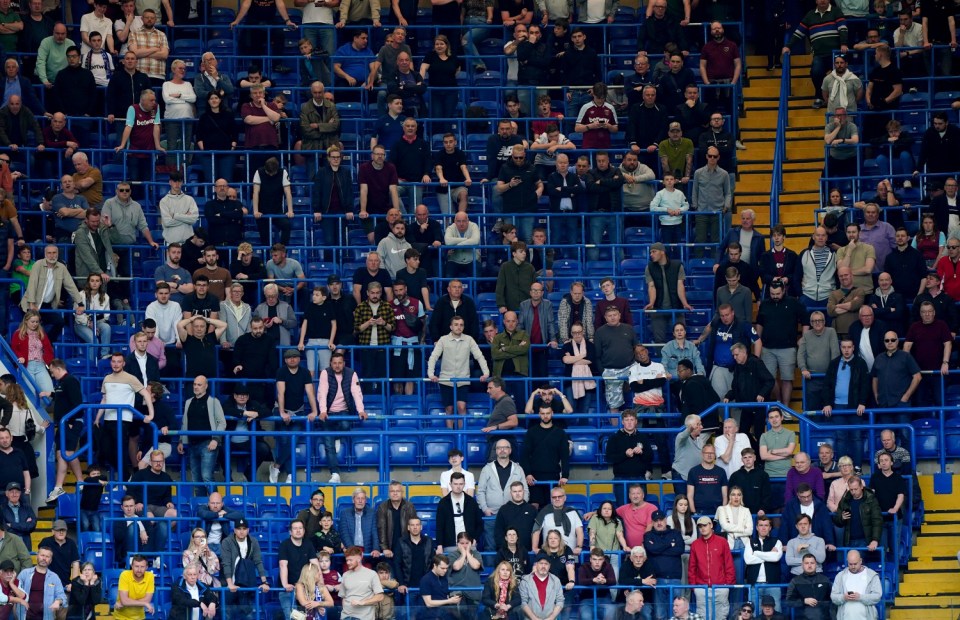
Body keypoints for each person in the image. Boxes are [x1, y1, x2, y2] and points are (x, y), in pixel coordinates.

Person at [782, 0, 849, 109]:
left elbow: (843, 28)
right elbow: (799, 32)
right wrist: (788, 46)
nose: (822, 1)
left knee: (841, 75)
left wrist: (844, 43)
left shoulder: (836, 12)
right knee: (816, 72)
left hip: (836, 54)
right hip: (819, 54)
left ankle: (839, 100)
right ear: (816, 1)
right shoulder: (810, 15)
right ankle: (820, 97)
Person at [822, 340, 871, 467]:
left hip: (855, 407)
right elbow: (827, 385)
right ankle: (842, 468)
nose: (846, 350)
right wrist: (827, 403)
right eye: (844, 347)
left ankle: (858, 467)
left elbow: (865, 384)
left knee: (856, 438)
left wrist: (862, 402)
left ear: (853, 348)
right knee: (840, 438)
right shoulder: (834, 363)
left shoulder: (860, 363)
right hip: (837, 406)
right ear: (840, 348)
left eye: (849, 347)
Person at [520, 405, 571, 509]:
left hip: (553, 476)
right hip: (534, 477)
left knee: (553, 506)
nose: (545, 416)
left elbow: (564, 456)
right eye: (543, 414)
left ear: (552, 413)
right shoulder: (531, 432)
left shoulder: (560, 433)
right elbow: (524, 455)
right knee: (534, 506)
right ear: (539, 414)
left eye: (547, 413)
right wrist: (528, 473)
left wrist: (565, 475)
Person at [221, 518, 270, 619]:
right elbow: (226, 563)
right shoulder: (227, 542)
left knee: (248, 615)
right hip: (229, 585)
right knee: (227, 615)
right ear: (234, 530)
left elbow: (258, 561)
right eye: (239, 528)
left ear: (248, 530)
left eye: (244, 528)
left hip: (246, 584)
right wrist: (230, 584)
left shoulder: (253, 542)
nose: (241, 531)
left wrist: (264, 582)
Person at [689, 516, 735, 620]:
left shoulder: (722, 542)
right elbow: (692, 567)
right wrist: (694, 587)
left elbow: (729, 564)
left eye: (705, 525)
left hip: (720, 587)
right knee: (702, 618)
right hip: (701, 588)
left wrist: (727, 585)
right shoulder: (695, 544)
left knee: (721, 617)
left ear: (711, 525)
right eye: (700, 526)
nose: (702, 528)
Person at [833, 477, 882, 551]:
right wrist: (841, 518)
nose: (853, 492)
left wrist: (875, 540)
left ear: (861, 486)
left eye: (856, 489)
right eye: (851, 489)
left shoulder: (871, 500)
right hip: (849, 541)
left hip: (865, 541)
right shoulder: (845, 500)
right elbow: (837, 521)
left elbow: (877, 521)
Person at [830, 550, 882, 620]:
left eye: (855, 564)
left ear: (860, 561)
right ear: (847, 561)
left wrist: (860, 597)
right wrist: (844, 597)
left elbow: (877, 596)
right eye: (850, 564)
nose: (853, 566)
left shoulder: (872, 575)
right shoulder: (840, 576)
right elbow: (833, 597)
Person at [339, 546, 385, 618]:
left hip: (364, 617)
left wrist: (362, 602)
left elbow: (380, 596)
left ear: (359, 558)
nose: (348, 563)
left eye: (350, 560)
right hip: (346, 616)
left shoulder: (371, 574)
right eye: (346, 560)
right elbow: (343, 597)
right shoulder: (345, 575)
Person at [786, 553, 833, 620]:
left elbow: (832, 600)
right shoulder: (795, 581)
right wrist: (803, 601)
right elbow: (789, 602)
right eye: (806, 563)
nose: (809, 565)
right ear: (802, 565)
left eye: (812, 563)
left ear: (816, 564)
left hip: (823, 617)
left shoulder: (825, 580)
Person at [113, 554, 153, 620]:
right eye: (136, 566)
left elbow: (147, 600)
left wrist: (127, 602)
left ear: (146, 567)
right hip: (121, 617)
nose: (139, 570)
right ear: (132, 566)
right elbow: (125, 601)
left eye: (142, 567)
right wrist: (144, 603)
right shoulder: (124, 575)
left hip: (139, 617)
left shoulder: (150, 577)